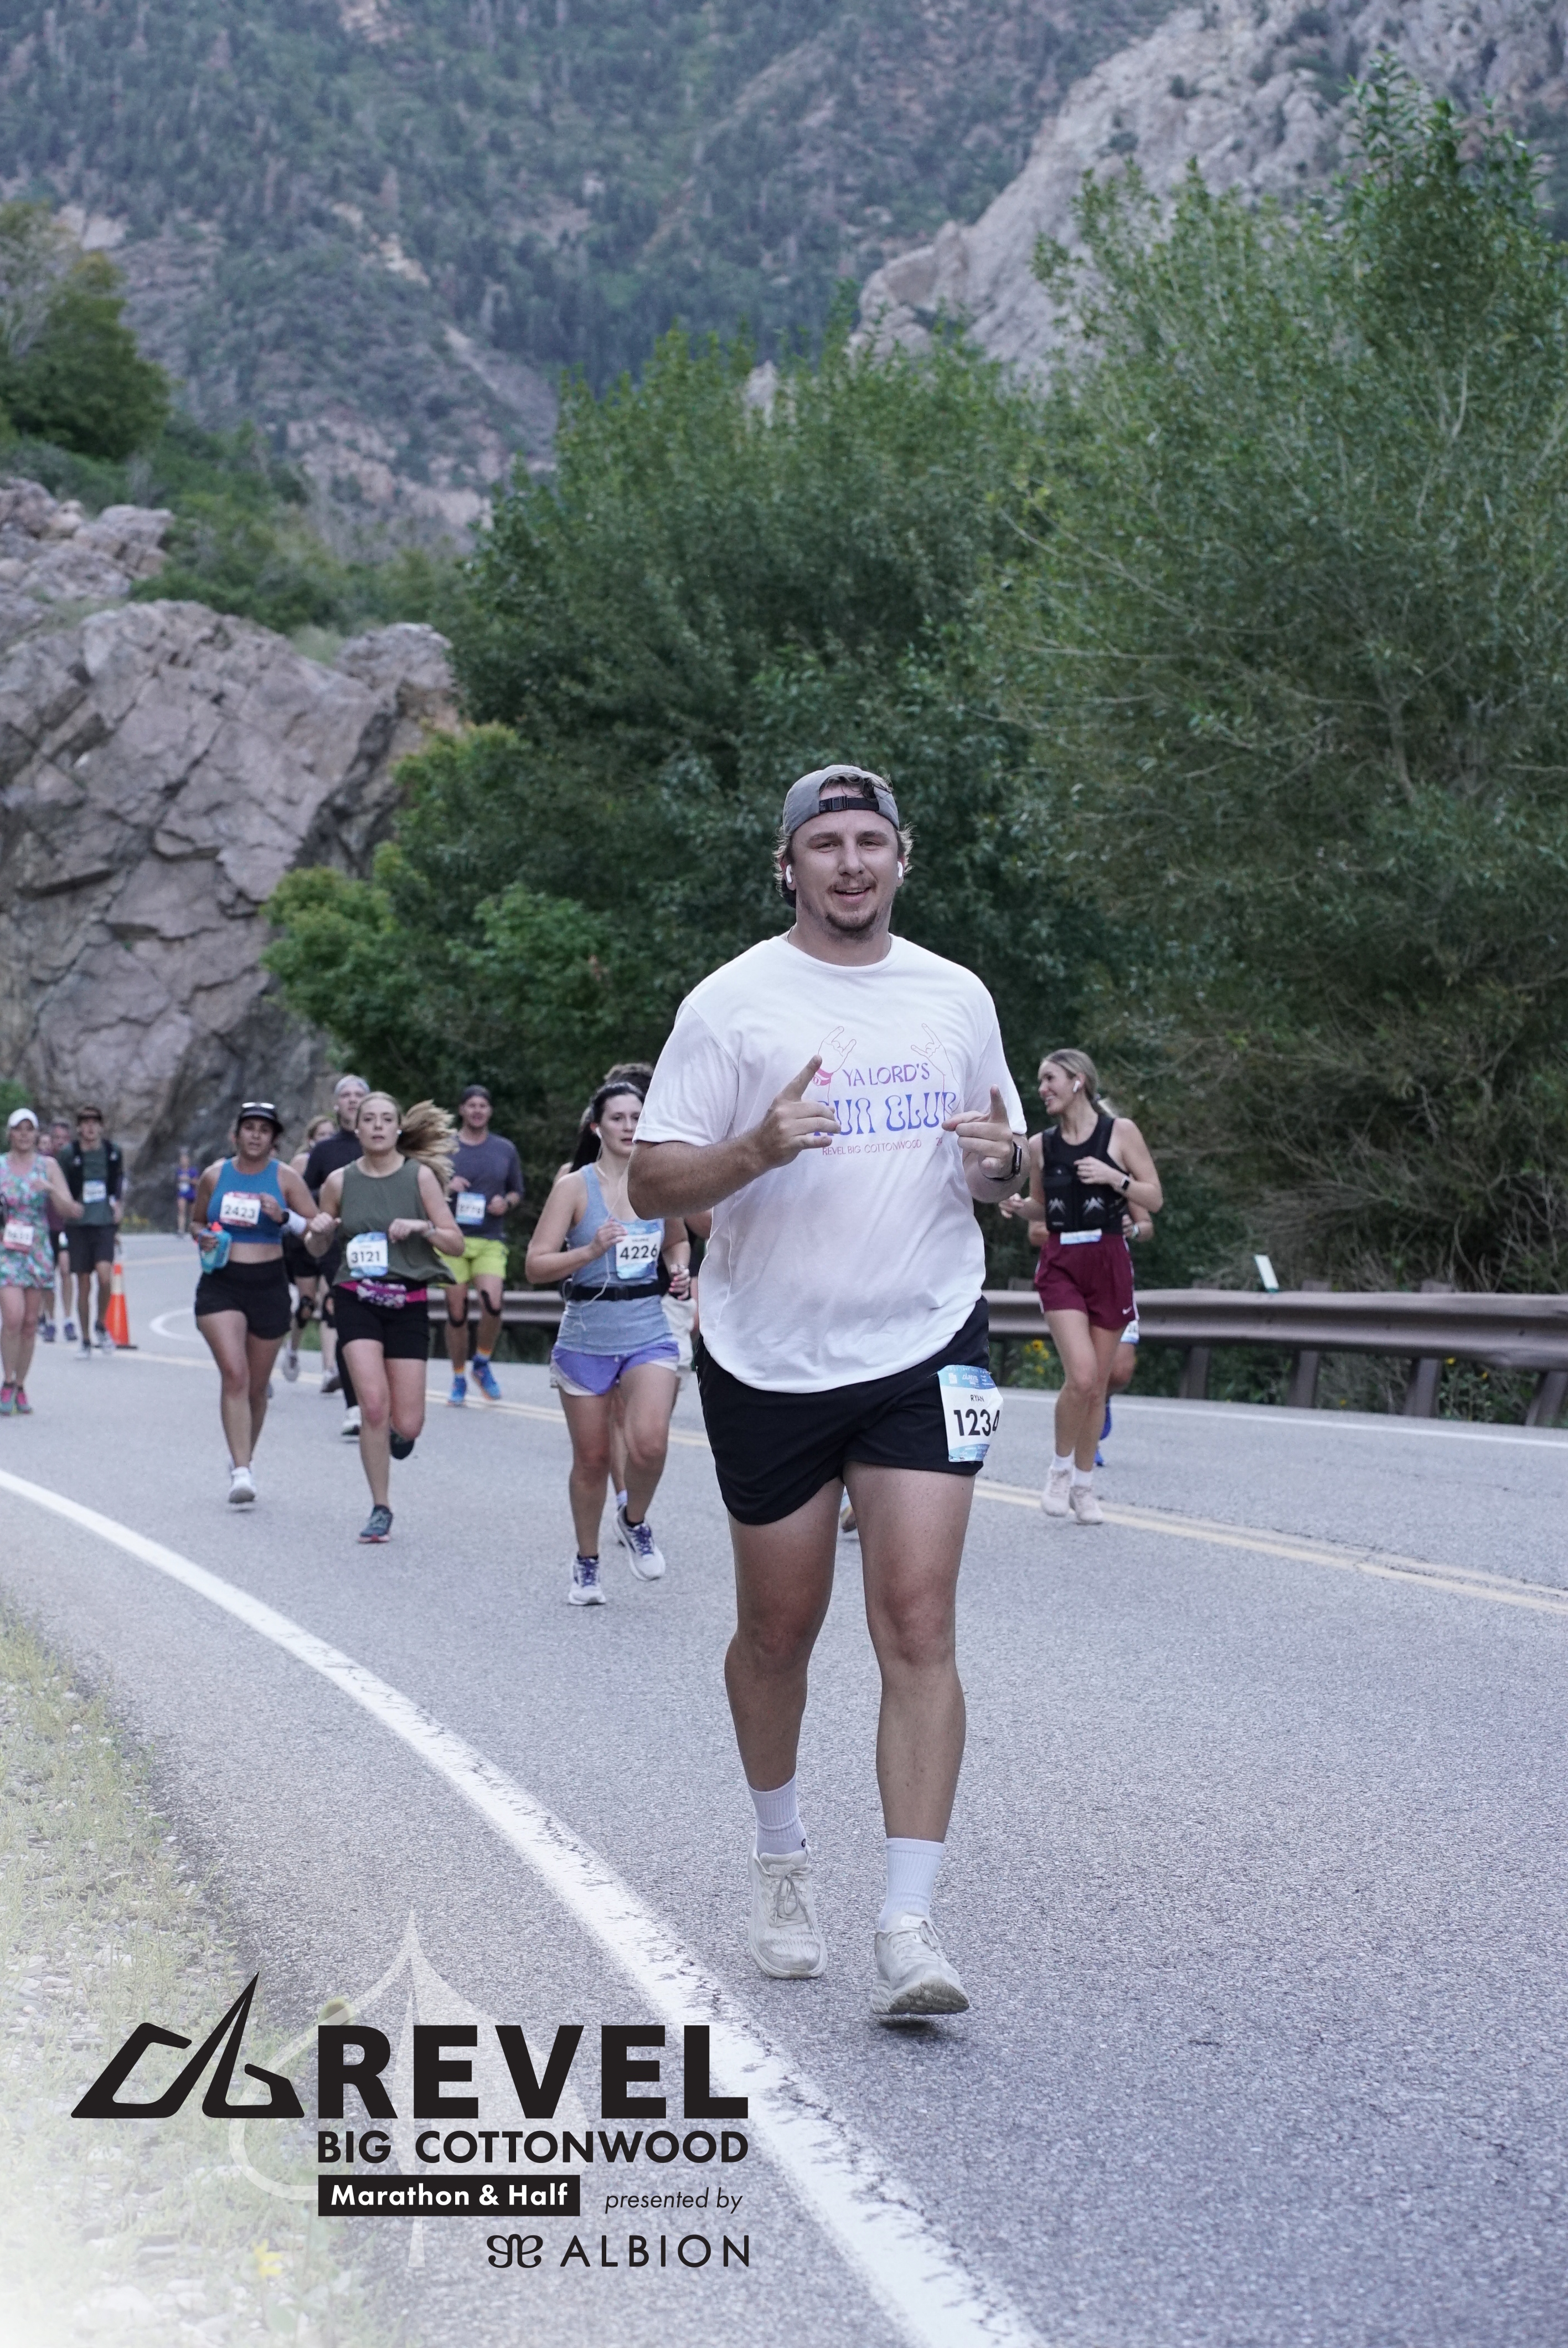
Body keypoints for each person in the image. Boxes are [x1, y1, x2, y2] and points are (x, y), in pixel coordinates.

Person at [627, 764, 1026, 2020]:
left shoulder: (954, 995)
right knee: (777, 1631)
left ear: (901, 857)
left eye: (869, 841)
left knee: (916, 1619)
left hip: (927, 1334)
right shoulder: (731, 1002)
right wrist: (756, 1147)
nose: (850, 863)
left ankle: (908, 1923)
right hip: (770, 1354)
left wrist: (1004, 1163)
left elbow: (999, 1165)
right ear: (787, 865)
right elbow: (649, 1183)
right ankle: (780, 1857)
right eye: (825, 844)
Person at [527, 1080, 692, 1602]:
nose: (628, 1126)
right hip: (586, 1335)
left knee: (651, 1443)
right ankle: (587, 1563)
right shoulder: (574, 1188)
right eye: (618, 1118)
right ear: (597, 1127)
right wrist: (589, 1250)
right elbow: (535, 1265)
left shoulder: (658, 1182)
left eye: (637, 1117)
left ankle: (634, 1520)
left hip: (647, 1330)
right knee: (593, 1460)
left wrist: (679, 1268)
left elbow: (678, 1239)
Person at [1010, 1051, 1162, 1523]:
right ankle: (1059, 1472)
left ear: (1078, 1081)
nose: (1042, 1089)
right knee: (1080, 1376)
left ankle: (1084, 1486)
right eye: (1040, 1081)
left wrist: (1115, 1178)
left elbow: (1154, 1198)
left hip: (1109, 1261)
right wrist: (1019, 1207)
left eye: (1049, 1078)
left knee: (1096, 1385)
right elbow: (1042, 1207)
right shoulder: (1040, 1145)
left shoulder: (1121, 1133)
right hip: (1062, 1264)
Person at [306, 1094, 465, 1544]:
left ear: (398, 1129)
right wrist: (318, 1233)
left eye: (386, 1119)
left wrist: (422, 1228)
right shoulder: (339, 1181)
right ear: (356, 1129)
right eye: (369, 1119)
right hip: (356, 1298)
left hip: (407, 1302)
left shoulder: (420, 1178)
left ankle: (396, 1435)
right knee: (373, 1406)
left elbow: (455, 1242)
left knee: (408, 1424)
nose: (377, 1126)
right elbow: (318, 1247)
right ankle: (381, 1507)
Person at [188, 1104, 318, 1503]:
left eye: (264, 1129)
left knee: (257, 1389)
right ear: (237, 1134)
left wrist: (284, 1217)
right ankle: (242, 1473)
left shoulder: (287, 1179)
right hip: (221, 1284)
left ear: (274, 1138)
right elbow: (196, 1221)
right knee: (235, 1374)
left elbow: (318, 1233)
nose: (256, 1135)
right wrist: (202, 1236)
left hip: (269, 1285)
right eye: (249, 1128)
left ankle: (242, 1456)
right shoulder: (214, 1176)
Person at [445, 1084, 523, 1406]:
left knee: (493, 1303)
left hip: (490, 1237)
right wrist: (446, 1185)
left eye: (483, 1106)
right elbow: (424, 1185)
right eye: (472, 1105)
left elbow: (517, 1191)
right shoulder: (446, 1148)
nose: (477, 1111)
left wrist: (506, 1202)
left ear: (490, 1111)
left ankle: (482, 1361)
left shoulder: (504, 1149)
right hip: (452, 1238)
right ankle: (458, 1376)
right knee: (457, 1313)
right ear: (462, 1110)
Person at [302, 1074, 370, 1438]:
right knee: (349, 1321)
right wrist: (331, 1201)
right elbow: (306, 1194)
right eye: (346, 1095)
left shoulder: (383, 1144)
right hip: (337, 1249)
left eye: (359, 1094)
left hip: (381, 1246)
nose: (353, 1100)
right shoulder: (325, 1151)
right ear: (336, 1104)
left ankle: (378, 1398)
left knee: (379, 1320)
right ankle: (354, 1406)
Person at [1, 1109, 82, 1413]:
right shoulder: (1, 1166)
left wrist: (50, 1189)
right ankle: (7, 1382)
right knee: (13, 1317)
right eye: (18, 1129)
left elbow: (70, 1210)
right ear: (10, 1133)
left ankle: (21, 1385)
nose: (24, 1135)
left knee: (30, 1323)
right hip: (6, 1250)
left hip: (36, 1250)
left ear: (37, 1134)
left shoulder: (48, 1166)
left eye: (29, 1129)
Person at [58, 1104, 123, 1357]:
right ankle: (85, 1339)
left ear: (101, 1126)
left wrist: (118, 1205)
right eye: (85, 1123)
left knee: (105, 1276)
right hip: (78, 1225)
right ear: (78, 1128)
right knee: (83, 1283)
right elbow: (60, 1184)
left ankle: (101, 1324)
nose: (90, 1127)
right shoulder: (69, 1154)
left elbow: (119, 1180)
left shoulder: (112, 1152)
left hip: (104, 1222)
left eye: (95, 1123)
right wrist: (67, 1205)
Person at [280, 1115, 336, 1384]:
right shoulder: (300, 1164)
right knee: (307, 1304)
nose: (326, 1140)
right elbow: (289, 1200)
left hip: (331, 1241)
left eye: (330, 1134)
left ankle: (329, 1370)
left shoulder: (340, 1162)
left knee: (330, 1302)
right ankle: (292, 1349)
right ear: (311, 1139)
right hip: (303, 1242)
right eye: (321, 1135)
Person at [39, 1116, 75, 1343]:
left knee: (65, 1270)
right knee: (47, 1276)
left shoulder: (73, 1162)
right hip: (45, 1225)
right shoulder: (43, 1164)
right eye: (56, 1138)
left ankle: (69, 1319)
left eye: (64, 1138)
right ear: (50, 1140)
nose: (60, 1142)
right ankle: (50, 1320)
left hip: (66, 1226)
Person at [175, 1146, 197, 1237]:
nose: (183, 1161)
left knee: (192, 1213)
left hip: (191, 1193)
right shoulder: (178, 1171)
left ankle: (192, 1229)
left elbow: (197, 1182)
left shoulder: (193, 1171)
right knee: (181, 1211)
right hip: (182, 1193)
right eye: (182, 1160)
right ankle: (181, 1230)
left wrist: (188, 1180)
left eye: (185, 1160)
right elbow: (175, 1182)